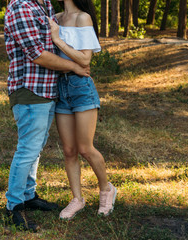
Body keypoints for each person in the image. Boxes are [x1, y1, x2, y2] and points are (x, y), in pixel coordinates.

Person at [4, 0, 90, 232]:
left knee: (36, 146)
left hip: (47, 89)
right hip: (30, 89)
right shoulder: (21, 7)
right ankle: (14, 204)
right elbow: (38, 55)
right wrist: (73, 67)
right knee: (28, 148)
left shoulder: (44, 5)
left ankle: (28, 195)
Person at [47, 0, 117, 220]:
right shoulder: (55, 17)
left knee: (85, 148)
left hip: (81, 87)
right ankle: (77, 199)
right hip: (60, 86)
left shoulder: (82, 18)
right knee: (69, 150)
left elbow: (86, 58)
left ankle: (106, 189)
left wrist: (57, 39)